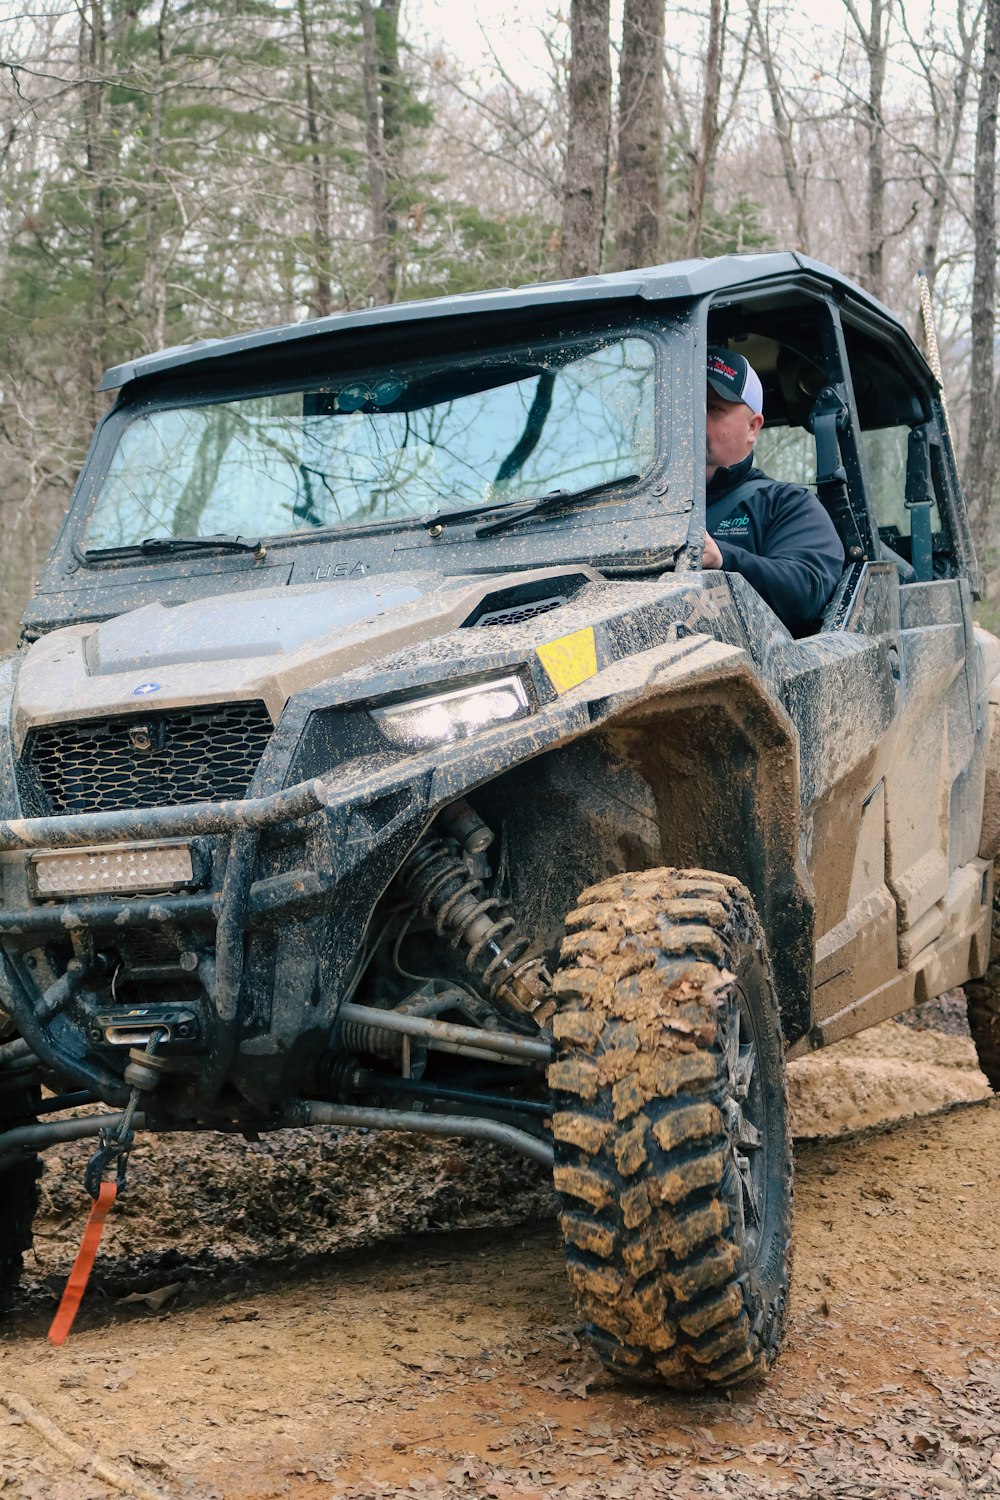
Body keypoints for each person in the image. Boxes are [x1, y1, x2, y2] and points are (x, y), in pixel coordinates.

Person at [702, 347, 845, 637]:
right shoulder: (634, 509)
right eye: (688, 407)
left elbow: (805, 591)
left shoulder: (787, 504)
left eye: (714, 407)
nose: (696, 419)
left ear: (753, 427)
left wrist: (724, 560)